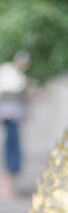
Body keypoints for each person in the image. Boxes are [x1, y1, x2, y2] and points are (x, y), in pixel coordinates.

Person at [0, 52, 28, 200]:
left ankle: (7, 188)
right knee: (12, 149)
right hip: (10, 117)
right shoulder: (9, 73)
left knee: (13, 148)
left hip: (13, 117)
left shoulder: (15, 74)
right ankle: (6, 189)